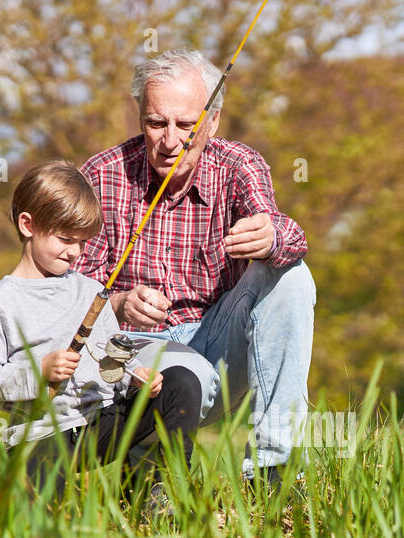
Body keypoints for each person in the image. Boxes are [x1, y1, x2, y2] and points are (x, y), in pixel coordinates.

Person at [72, 49, 316, 487]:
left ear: (212, 121)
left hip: (217, 344)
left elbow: (286, 235)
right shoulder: (101, 174)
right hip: (130, 357)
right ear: (139, 116)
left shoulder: (238, 165)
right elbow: (69, 297)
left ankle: (272, 468)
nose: (169, 140)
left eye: (186, 125)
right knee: (184, 380)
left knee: (291, 274)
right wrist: (119, 302)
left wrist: (272, 236)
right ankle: (150, 479)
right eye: (156, 123)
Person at [0, 159, 214, 506]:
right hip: (42, 435)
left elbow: (114, 354)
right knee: (40, 520)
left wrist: (133, 377)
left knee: (181, 382)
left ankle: (163, 494)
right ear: (28, 225)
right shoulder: (0, 303)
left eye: (82, 242)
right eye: (65, 239)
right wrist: (39, 371)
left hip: (103, 421)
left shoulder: (89, 290)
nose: (75, 252)